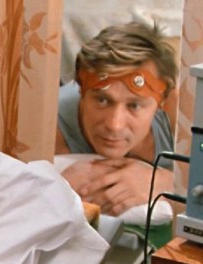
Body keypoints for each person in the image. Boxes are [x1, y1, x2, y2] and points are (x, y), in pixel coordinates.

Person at [56, 21, 179, 217]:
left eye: (134, 105)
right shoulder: (52, 126)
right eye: (102, 100)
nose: (115, 125)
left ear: (162, 100)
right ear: (81, 89)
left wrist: (166, 183)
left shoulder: (181, 113)